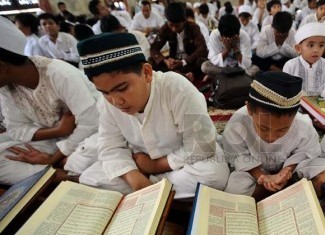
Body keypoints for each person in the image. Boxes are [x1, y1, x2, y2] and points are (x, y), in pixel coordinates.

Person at [77, 33, 229, 198]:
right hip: (141, 164)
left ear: (147, 73)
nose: (116, 101)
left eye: (122, 88)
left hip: (184, 160)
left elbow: (201, 146)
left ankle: (155, 187)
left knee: (214, 176)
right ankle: (158, 189)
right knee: (88, 179)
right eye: (105, 92)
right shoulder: (107, 103)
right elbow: (110, 146)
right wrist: (135, 178)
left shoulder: (177, 88)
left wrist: (155, 165)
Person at [0, 17, 99, 185]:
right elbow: (17, 129)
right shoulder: (6, 88)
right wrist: (59, 131)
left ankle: (63, 173)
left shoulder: (59, 74)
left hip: (87, 136)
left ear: (1, 67)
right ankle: (62, 174)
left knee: (96, 151)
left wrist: (53, 158)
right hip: (51, 138)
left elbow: (91, 123)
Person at [222, 71, 325, 200]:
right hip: (253, 172)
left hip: (294, 170)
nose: (271, 138)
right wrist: (263, 177)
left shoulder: (303, 125)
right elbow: (238, 156)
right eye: (263, 128)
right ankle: (292, 193)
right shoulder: (238, 122)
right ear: (249, 110)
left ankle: (285, 194)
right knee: (233, 193)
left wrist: (287, 171)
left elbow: (307, 152)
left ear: (295, 116)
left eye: (282, 130)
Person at [151, 2, 208, 81]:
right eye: (171, 25)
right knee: (150, 61)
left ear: (184, 21)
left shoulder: (193, 27)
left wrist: (184, 62)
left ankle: (179, 75)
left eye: (177, 26)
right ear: (167, 21)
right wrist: (165, 61)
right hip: (173, 63)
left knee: (201, 61)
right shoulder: (165, 29)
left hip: (189, 62)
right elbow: (154, 49)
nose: (174, 29)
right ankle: (183, 75)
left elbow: (202, 48)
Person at [283, 22, 325, 108]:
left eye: (321, 45)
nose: (316, 50)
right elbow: (286, 91)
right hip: (296, 108)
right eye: (311, 45)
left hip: (319, 107)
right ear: (298, 48)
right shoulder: (290, 65)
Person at [202, 14, 259, 78]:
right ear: (221, 34)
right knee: (205, 66)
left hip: (238, 67)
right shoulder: (215, 35)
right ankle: (237, 77)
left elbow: (247, 63)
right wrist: (227, 49)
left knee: (255, 69)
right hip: (223, 68)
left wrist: (235, 48)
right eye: (226, 38)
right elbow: (214, 60)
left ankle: (224, 76)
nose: (229, 40)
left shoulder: (244, 35)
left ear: (237, 33)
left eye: (232, 38)